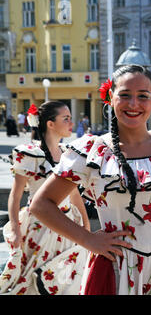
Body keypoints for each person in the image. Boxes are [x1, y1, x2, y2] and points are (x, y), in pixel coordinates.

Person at [29, 64, 151, 295]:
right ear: (111, 97)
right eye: (125, 95)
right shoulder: (92, 150)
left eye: (143, 96)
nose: (133, 104)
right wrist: (88, 239)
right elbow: (41, 205)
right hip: (114, 268)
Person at [0, 101, 90, 295]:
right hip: (38, 227)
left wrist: (85, 225)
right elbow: (15, 196)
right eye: (65, 118)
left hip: (67, 224)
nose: (71, 123)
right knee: (34, 277)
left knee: (68, 280)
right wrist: (15, 228)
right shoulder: (29, 154)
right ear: (50, 124)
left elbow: (74, 194)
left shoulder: (69, 154)